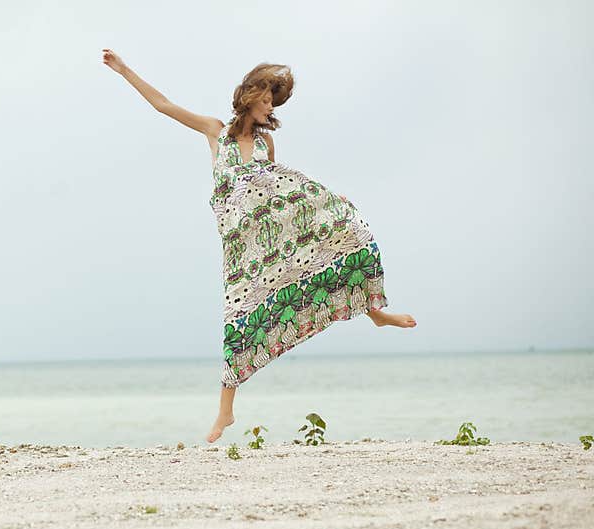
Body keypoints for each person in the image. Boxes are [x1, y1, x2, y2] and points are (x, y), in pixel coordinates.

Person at [102, 50, 417, 444]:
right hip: (241, 252)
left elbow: (276, 196)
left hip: (273, 243)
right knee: (238, 317)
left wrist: (321, 212)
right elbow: (164, 106)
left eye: (273, 101)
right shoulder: (216, 132)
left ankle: (375, 312)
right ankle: (225, 412)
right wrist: (124, 70)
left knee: (347, 234)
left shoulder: (268, 144)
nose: (270, 106)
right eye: (266, 98)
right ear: (249, 96)